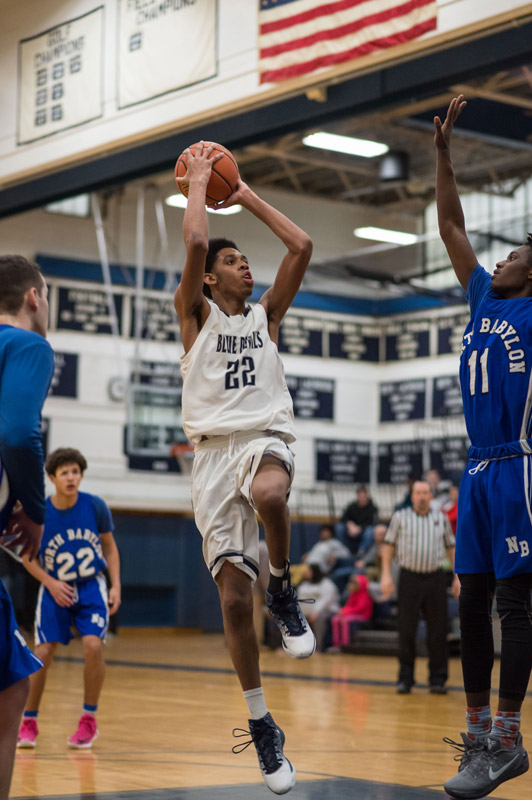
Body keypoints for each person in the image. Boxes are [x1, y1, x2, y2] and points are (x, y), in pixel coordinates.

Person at [173, 142, 314, 795]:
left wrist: (244, 191)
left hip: (263, 434)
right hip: (209, 455)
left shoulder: (267, 317)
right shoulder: (194, 316)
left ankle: (282, 590)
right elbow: (196, 243)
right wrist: (199, 187)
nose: (245, 267)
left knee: (270, 490)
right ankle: (262, 727)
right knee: (232, 601)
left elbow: (302, 246)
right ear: (209, 279)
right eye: (233, 261)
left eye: (244, 259)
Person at [434, 95, 532, 799]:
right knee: (469, 601)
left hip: (518, 465)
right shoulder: (480, 299)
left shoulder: (531, 307)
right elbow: (449, 223)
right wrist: (442, 155)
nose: (499, 259)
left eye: (515, 255)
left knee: (515, 604)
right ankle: (476, 736)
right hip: (474, 469)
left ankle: (508, 735)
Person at [17, 447, 121, 750]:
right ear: (52, 478)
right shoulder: (39, 514)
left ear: (81, 475)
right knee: (44, 651)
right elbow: (27, 558)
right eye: (64, 473)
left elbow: (110, 548)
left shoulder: (95, 506)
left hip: (90, 586)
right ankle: (29, 720)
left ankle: (89, 719)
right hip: (54, 588)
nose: (71, 477)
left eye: (75, 471)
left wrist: (116, 586)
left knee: (92, 645)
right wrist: (50, 582)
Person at [0, 255, 54, 800]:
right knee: (11, 692)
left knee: (13, 681)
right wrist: (33, 512)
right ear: (34, 297)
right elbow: (18, 433)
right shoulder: (29, 345)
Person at [380, 480, 459, 695]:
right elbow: (388, 546)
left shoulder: (440, 518)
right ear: (412, 496)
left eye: (425, 492)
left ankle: (438, 679)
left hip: (435, 579)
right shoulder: (400, 517)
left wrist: (457, 577)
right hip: (409, 579)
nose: (422, 496)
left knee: (438, 631)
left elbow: (451, 548)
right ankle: (405, 678)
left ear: (431, 496)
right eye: (418, 492)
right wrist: (386, 575)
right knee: (406, 630)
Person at [296, 563, 340, 651]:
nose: (306, 573)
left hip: (327, 611)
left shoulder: (327, 584)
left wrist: (316, 612)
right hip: (307, 612)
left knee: (319, 618)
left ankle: (318, 646)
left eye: (308, 571)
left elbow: (325, 601)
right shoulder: (304, 585)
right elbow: (299, 600)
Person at [330, 572, 373, 650]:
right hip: (352, 614)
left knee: (345, 620)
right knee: (335, 619)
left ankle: (345, 644)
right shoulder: (352, 594)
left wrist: (345, 612)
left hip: (363, 615)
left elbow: (359, 608)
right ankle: (336, 643)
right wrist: (343, 611)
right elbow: (348, 605)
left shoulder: (364, 595)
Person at [338, 485, 378, 558]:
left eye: (364, 496)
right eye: (360, 496)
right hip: (351, 530)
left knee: (370, 531)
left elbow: (372, 522)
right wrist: (349, 524)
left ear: (367, 496)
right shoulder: (352, 506)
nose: (362, 498)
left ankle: (361, 551)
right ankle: (345, 550)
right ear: (357, 496)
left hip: (363, 531)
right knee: (339, 527)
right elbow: (343, 517)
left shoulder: (372, 508)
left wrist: (359, 528)